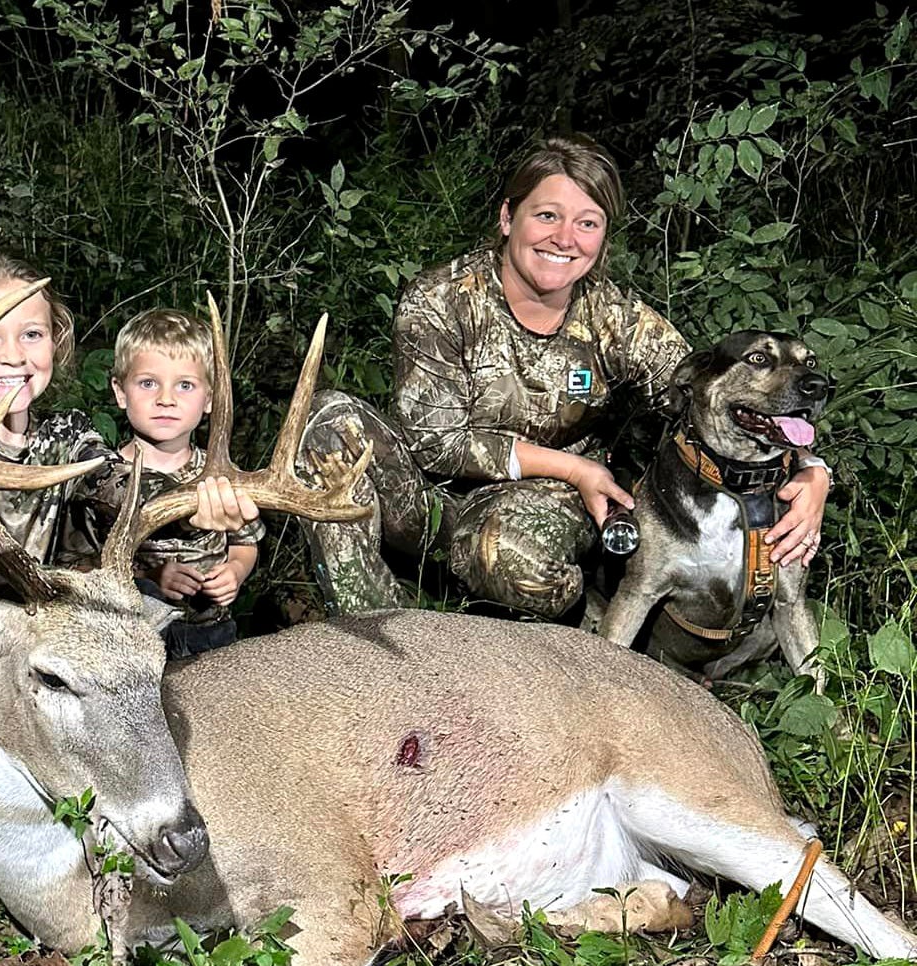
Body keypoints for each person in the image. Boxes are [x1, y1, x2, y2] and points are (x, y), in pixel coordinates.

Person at [299, 135, 830, 620]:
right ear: (508, 217)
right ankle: (372, 628)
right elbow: (436, 443)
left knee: (519, 563)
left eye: (587, 223)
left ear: (603, 238)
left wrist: (811, 471)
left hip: (537, 509)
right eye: (547, 215)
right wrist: (574, 466)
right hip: (426, 502)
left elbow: (710, 395)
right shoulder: (440, 300)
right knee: (328, 418)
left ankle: (554, 637)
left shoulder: (614, 318)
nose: (564, 239)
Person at [0, 253, 259, 597]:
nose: (14, 356)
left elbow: (120, 486)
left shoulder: (67, 438)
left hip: (30, 638)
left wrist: (189, 508)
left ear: (56, 340)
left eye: (31, 334)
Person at [71, 308, 262, 658]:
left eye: (185, 385)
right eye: (148, 383)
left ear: (209, 398)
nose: (166, 399)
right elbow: (81, 567)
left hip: (212, 632)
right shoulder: (100, 477)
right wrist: (149, 579)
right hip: (131, 638)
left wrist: (235, 571)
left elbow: (245, 542)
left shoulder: (222, 475)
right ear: (120, 392)